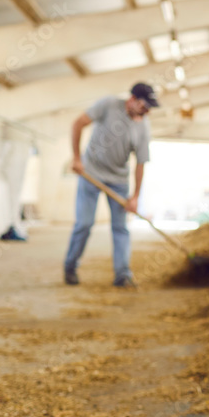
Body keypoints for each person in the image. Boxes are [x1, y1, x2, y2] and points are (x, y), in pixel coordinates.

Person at [63, 82, 159, 287]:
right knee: (84, 224)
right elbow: (78, 123)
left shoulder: (143, 126)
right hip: (91, 173)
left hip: (118, 181)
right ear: (132, 99)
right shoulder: (108, 105)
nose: (146, 112)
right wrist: (77, 158)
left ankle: (122, 274)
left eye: (149, 109)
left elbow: (140, 163)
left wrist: (135, 197)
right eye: (144, 106)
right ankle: (70, 266)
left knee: (120, 228)